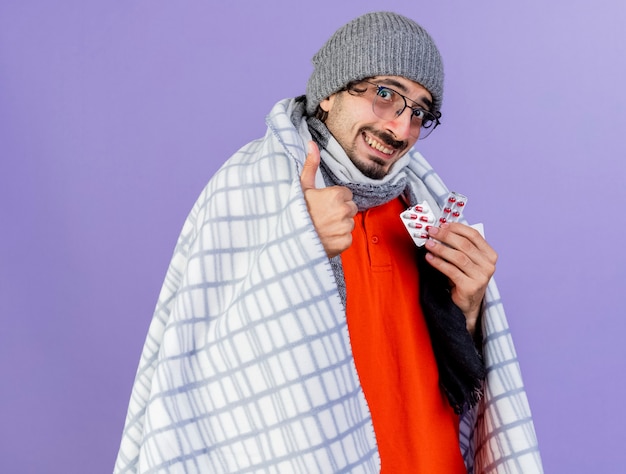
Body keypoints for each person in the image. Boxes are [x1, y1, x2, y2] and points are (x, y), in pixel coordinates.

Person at [115, 11, 543, 473]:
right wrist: (297, 243)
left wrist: (470, 307)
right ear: (330, 93)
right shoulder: (251, 185)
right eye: (385, 94)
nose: (400, 130)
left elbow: (440, 376)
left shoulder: (422, 203)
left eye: (418, 111)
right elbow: (207, 364)